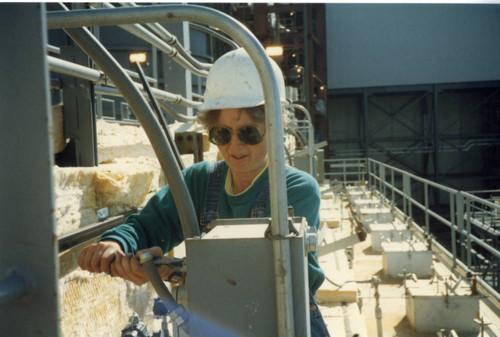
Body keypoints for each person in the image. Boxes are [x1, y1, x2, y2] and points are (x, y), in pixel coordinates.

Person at [78, 48, 330, 336]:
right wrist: (116, 244)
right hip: (217, 319)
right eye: (222, 134)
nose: (234, 146)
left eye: (249, 133)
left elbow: (280, 278)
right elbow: (148, 225)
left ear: (274, 126)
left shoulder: (296, 189)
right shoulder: (199, 181)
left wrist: (175, 270)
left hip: (282, 322)